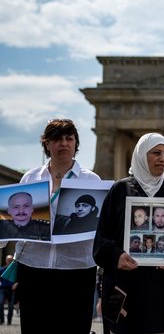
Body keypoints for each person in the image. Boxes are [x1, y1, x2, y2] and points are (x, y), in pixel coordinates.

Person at [93, 132, 164, 333]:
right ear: (141, 155)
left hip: (162, 291)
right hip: (125, 287)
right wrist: (116, 256)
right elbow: (101, 239)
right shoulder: (119, 190)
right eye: (156, 153)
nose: (162, 158)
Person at [13, 119, 101, 334]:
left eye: (69, 139)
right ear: (47, 144)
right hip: (34, 267)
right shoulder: (30, 178)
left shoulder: (92, 180)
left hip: (77, 269)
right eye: (57, 139)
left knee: (74, 327)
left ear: (76, 144)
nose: (64, 143)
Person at [0, 254, 15, 325]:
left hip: (11, 290)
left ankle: (9, 321)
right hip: (3, 289)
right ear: (6, 261)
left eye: (11, 260)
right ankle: (2, 320)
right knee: (0, 304)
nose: (9, 261)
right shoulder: (2, 269)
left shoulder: (14, 270)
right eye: (8, 260)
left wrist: (16, 284)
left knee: (11, 306)